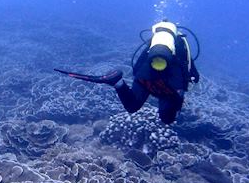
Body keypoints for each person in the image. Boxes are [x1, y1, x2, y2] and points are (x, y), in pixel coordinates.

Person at [55, 21, 200, 124]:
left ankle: (117, 82)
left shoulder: (152, 43)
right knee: (167, 119)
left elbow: (137, 65)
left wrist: (140, 80)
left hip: (146, 76)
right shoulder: (181, 44)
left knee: (132, 106)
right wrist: (183, 90)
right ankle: (170, 106)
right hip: (170, 83)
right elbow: (192, 74)